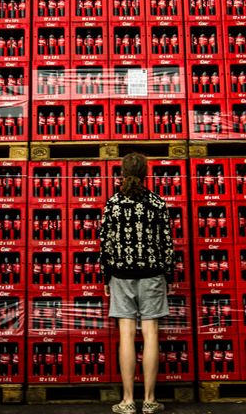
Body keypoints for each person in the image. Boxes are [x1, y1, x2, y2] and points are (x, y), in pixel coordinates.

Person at [99, 153, 174, 414]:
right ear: (146, 173)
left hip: (121, 275)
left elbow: (105, 243)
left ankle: (128, 401)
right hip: (152, 274)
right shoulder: (157, 203)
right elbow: (167, 242)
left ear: (122, 172)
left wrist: (105, 276)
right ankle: (151, 400)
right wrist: (169, 275)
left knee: (126, 335)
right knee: (151, 334)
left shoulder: (113, 203)